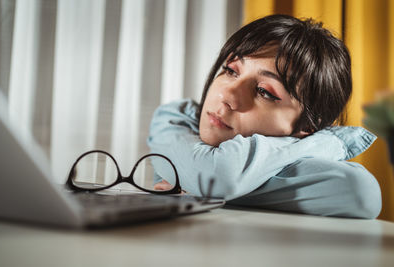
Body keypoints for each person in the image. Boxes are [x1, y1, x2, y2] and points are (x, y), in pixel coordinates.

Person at [147, 14, 382, 219]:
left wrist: (202, 184)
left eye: (264, 91)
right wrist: (321, 144)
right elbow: (218, 176)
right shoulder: (174, 117)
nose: (227, 94)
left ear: (308, 126)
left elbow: (360, 192)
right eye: (230, 70)